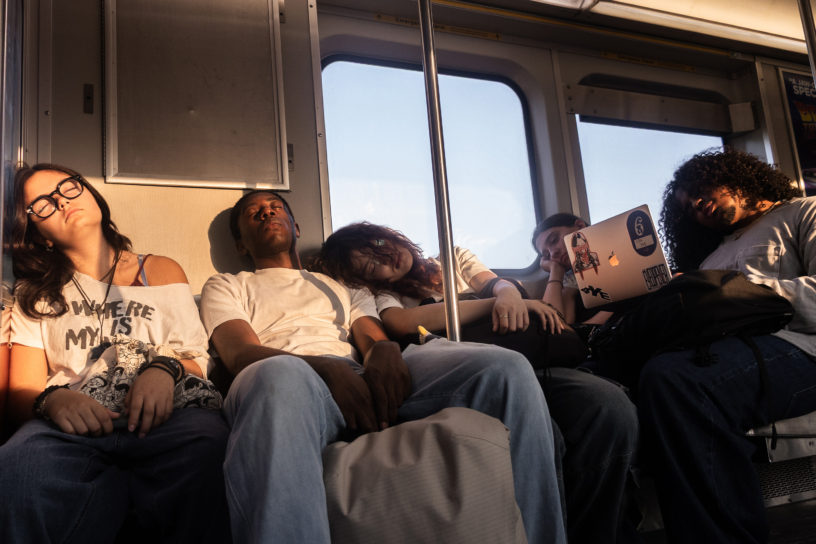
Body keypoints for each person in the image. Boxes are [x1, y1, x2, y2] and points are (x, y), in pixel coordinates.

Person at [199, 190, 566, 544]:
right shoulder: (229, 285)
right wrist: (326, 370)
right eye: (254, 212)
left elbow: (370, 337)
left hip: (355, 373)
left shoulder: (337, 285)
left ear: (296, 229)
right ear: (241, 246)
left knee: (505, 369)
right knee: (277, 376)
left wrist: (382, 351)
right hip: (295, 380)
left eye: (275, 206)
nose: (266, 212)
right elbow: (240, 354)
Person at [313, 222, 638, 544]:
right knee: (547, 431)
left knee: (609, 408)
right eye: (373, 265)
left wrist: (508, 293)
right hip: (479, 361)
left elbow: (493, 283)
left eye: (380, 246)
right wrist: (496, 304)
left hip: (535, 359)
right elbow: (402, 323)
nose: (386, 259)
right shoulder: (388, 295)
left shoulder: (453, 258)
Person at [0, 164, 230, 542]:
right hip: (71, 429)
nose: (60, 201)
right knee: (17, 471)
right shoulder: (35, 293)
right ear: (37, 233)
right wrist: (55, 400)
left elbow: (197, 359)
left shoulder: (158, 269)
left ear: (90, 193)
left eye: (67, 187)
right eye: (42, 203)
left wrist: (163, 371)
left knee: (210, 451)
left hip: (168, 417)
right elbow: (21, 393)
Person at [639, 148, 816, 543]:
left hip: (802, 346)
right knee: (648, 375)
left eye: (700, 189)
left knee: (680, 382)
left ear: (736, 175)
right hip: (730, 352)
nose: (696, 205)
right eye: (688, 208)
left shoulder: (804, 212)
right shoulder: (713, 256)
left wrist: (737, 294)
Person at [532, 213, 612, 326]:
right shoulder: (570, 278)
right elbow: (554, 325)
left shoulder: (616, 254)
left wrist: (577, 332)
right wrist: (555, 272)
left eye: (554, 240)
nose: (553, 253)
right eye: (547, 254)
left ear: (579, 226)